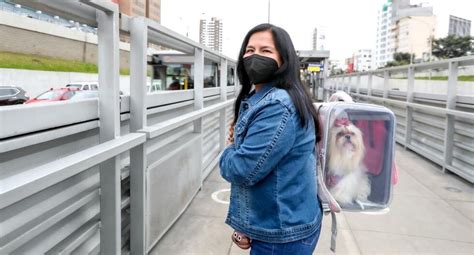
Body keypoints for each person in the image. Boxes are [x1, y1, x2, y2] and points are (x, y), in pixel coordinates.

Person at [219, 23, 323, 255]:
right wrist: (244, 227)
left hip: (282, 234)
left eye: (266, 51)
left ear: (283, 60)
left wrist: (230, 149)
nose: (255, 57)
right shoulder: (260, 97)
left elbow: (242, 169)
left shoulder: (277, 105)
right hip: (279, 224)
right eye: (249, 50)